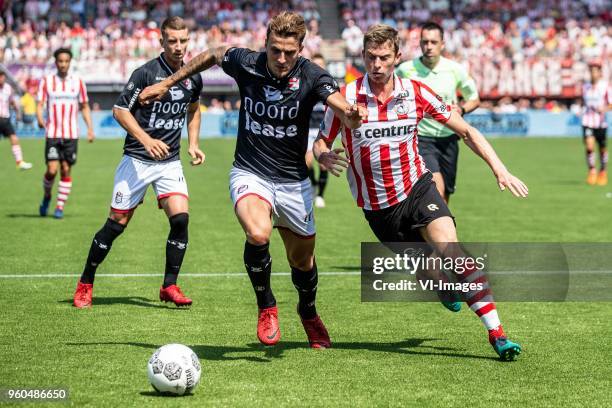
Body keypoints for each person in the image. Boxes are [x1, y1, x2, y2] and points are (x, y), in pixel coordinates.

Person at [139, 11, 366, 348]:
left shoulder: (311, 74)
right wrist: (168, 82)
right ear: (266, 44)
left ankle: (308, 311)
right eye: (275, 50)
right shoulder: (247, 62)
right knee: (258, 233)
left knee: (302, 261)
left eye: (289, 52)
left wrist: (350, 114)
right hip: (250, 171)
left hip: (293, 181)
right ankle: (267, 306)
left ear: (301, 49)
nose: (282, 58)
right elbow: (215, 53)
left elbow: (338, 103)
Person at [315, 24, 528, 360]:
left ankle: (497, 334)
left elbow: (467, 131)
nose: (378, 65)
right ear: (363, 57)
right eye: (371, 57)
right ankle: (441, 287)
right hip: (380, 211)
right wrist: (323, 155)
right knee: (429, 272)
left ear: (398, 57)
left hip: (418, 189)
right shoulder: (347, 98)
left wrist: (499, 168)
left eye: (385, 57)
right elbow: (321, 140)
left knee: (455, 254)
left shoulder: (415, 92)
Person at [72, 16, 205, 309]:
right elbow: (120, 110)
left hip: (169, 162)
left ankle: (169, 285)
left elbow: (194, 110)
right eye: (172, 41)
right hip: (136, 160)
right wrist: (146, 140)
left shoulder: (193, 75)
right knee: (116, 224)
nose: (179, 46)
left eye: (183, 40)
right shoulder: (145, 73)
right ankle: (86, 281)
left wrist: (193, 143)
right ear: (162, 41)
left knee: (181, 219)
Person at [396, 21, 480, 203]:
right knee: (437, 190)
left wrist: (462, 109)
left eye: (434, 42)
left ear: (442, 44)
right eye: (425, 42)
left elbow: (474, 98)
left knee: (446, 195)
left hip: (449, 138)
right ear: (419, 43)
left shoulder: (455, 69)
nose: (429, 46)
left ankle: (437, 229)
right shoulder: (405, 70)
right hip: (421, 139)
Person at [37, 48, 95, 219]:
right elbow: (40, 103)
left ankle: (60, 206)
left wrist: (90, 128)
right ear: (56, 62)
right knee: (52, 170)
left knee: (65, 169)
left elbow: (84, 106)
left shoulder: (78, 82)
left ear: (70, 62)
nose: (63, 64)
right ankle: (47, 196)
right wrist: (40, 118)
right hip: (53, 133)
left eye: (66, 61)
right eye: (60, 61)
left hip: (71, 134)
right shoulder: (47, 81)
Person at [582, 62, 611, 186]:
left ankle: (603, 171)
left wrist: (604, 109)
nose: (593, 74)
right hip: (587, 121)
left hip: (601, 123)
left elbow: (611, 104)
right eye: (591, 71)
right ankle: (592, 171)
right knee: (589, 146)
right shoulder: (586, 87)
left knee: (602, 148)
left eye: (595, 71)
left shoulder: (606, 87)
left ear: (599, 73)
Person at [306, 53, 329, 208]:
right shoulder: (305, 84)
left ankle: (320, 195)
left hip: (323, 131)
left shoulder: (329, 85)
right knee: (307, 163)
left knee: (323, 164)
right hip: (307, 130)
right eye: (316, 64)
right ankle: (313, 184)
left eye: (321, 64)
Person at [0, 72, 32, 170]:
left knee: (14, 138)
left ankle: (19, 162)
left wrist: (17, 112)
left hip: (5, 118)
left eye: (2, 77)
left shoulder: (8, 88)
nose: (1, 79)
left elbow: (11, 101)